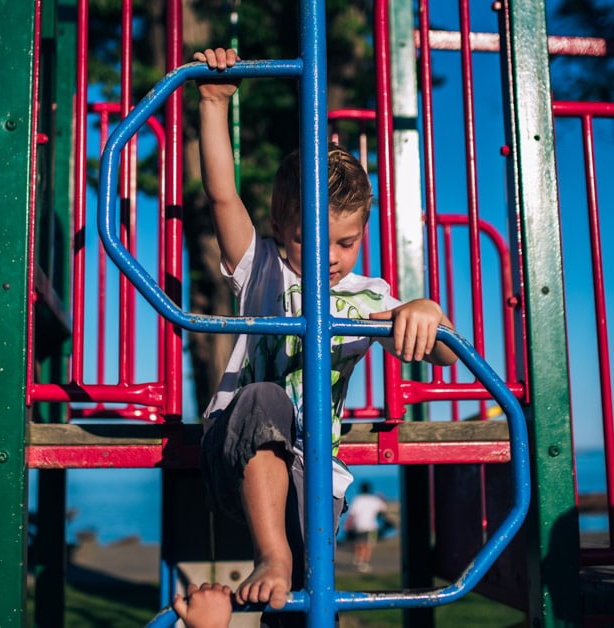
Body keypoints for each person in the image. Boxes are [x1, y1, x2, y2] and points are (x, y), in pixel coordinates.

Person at [194, 47, 457, 620]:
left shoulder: (366, 296)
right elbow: (221, 196)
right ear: (278, 230)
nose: (328, 258)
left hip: (314, 474)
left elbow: (438, 354)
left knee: (311, 607)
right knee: (263, 398)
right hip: (238, 450)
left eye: (345, 243)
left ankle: (282, 575)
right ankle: (272, 556)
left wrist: (425, 312)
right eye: (307, 240)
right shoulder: (264, 269)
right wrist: (214, 103)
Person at [344, 482, 388, 573]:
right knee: (367, 546)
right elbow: (384, 509)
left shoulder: (357, 499)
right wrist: (382, 498)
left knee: (359, 543)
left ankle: (358, 558)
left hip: (359, 525)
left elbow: (352, 514)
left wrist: (348, 524)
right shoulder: (374, 500)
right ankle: (363, 563)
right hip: (371, 526)